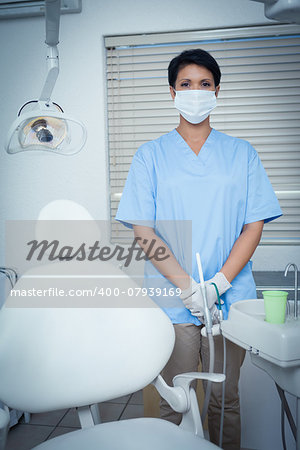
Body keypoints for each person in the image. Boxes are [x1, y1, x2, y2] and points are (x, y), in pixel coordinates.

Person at [115, 49, 282, 449]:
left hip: (229, 298)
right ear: (172, 92)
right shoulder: (150, 156)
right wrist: (189, 289)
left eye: (204, 84)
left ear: (217, 91)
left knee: (226, 400)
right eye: (186, 84)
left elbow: (252, 226)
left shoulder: (242, 154)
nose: (195, 92)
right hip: (173, 300)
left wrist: (218, 284)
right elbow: (144, 231)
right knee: (173, 401)